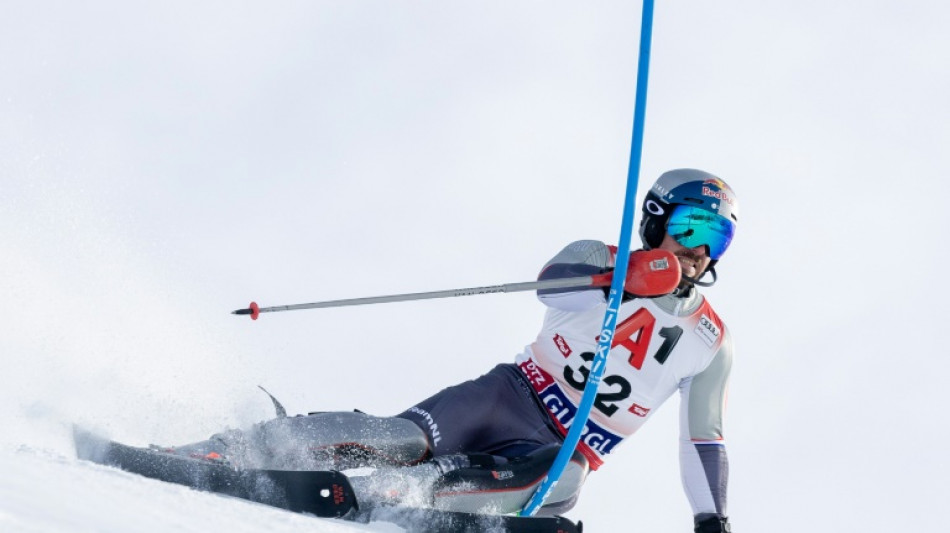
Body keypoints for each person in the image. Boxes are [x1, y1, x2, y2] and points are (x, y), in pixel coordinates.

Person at [171, 168, 737, 533]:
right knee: (401, 440)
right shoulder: (601, 257)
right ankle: (233, 447)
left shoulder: (710, 341)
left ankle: (396, 498)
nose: (699, 252)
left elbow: (703, 440)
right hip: (505, 397)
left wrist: (713, 520)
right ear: (656, 220)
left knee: (563, 479)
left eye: (716, 239)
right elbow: (549, 284)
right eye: (690, 229)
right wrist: (625, 277)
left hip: (564, 449)